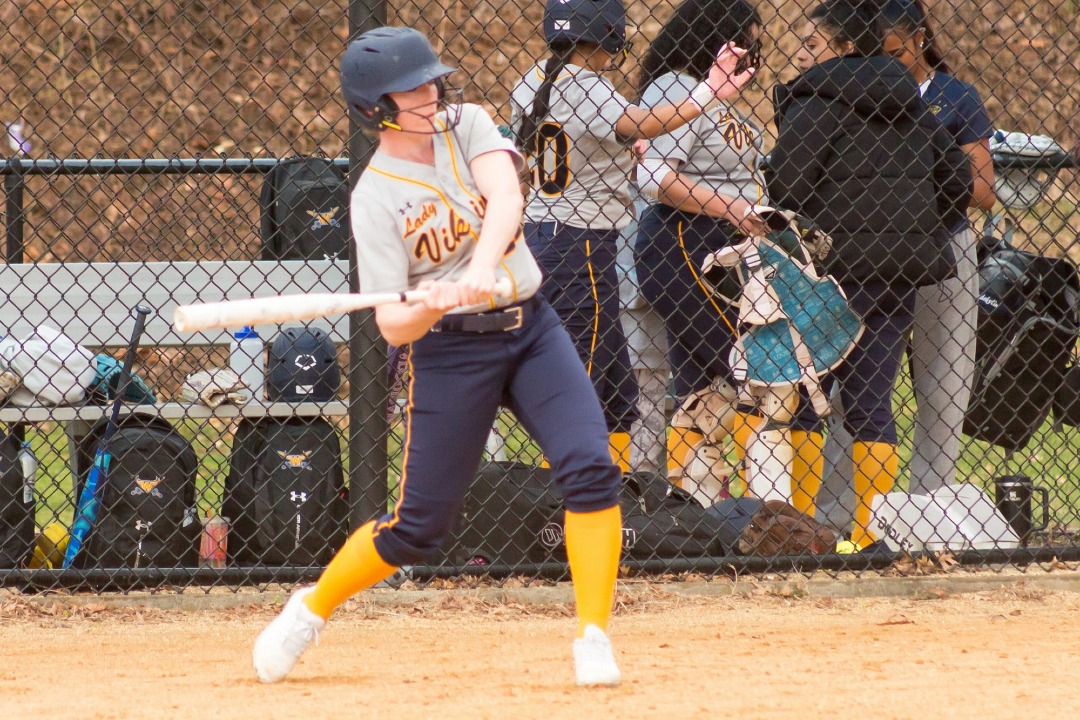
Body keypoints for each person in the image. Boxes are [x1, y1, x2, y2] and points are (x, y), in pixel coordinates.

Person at [253, 26, 625, 688]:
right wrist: (434, 303)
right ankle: (309, 610)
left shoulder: (469, 124)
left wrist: (481, 266)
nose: (431, 94)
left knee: (590, 468)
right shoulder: (373, 197)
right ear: (377, 109)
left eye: (432, 82)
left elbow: (508, 198)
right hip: (451, 354)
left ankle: (593, 635)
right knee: (417, 530)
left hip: (532, 329)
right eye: (413, 89)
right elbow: (393, 324)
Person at [511, 0, 755, 471]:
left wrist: (628, 147)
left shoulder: (536, 77)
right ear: (606, 35)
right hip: (578, 244)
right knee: (577, 392)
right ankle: (559, 511)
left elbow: (589, 141)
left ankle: (611, 501)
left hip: (555, 238)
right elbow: (637, 123)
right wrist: (707, 93)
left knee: (618, 394)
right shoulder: (586, 83)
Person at [765, 0, 972, 549]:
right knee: (871, 402)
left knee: (808, 396)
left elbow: (785, 187)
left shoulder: (816, 101)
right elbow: (957, 182)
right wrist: (908, 222)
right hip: (894, 278)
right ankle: (866, 536)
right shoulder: (910, 106)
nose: (804, 54)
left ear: (845, 46)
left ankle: (798, 528)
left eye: (813, 44)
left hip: (828, 276)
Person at [631, 0, 821, 509]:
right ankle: (774, 516)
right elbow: (654, 177)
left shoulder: (721, 100)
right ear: (714, 40)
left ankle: (699, 517)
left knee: (704, 379)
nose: (752, 53)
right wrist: (733, 207)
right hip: (683, 239)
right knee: (763, 373)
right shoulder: (676, 89)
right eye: (745, 40)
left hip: (724, 247)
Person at [817, 0, 997, 532]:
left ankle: (926, 512)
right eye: (878, 52)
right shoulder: (852, 90)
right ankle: (838, 516)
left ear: (919, 39)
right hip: (867, 255)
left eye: (896, 52)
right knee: (856, 387)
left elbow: (983, 191)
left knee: (943, 384)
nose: (888, 64)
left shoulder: (954, 97)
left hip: (942, 249)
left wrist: (924, 166)